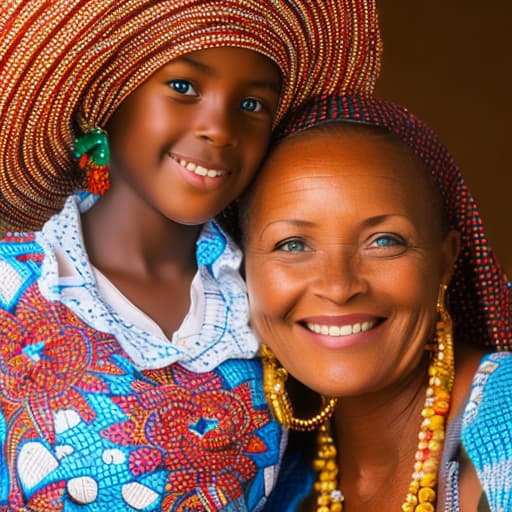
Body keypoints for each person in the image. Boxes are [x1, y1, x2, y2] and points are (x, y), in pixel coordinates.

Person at [0, 2, 383, 510]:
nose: (219, 128)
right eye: (183, 88)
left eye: (252, 106)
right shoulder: (13, 288)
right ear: (103, 103)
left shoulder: (274, 298)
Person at [241, 93, 512, 512]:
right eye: (292, 244)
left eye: (384, 241)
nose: (338, 286)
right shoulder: (274, 477)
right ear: (240, 270)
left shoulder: (504, 423)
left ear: (444, 262)